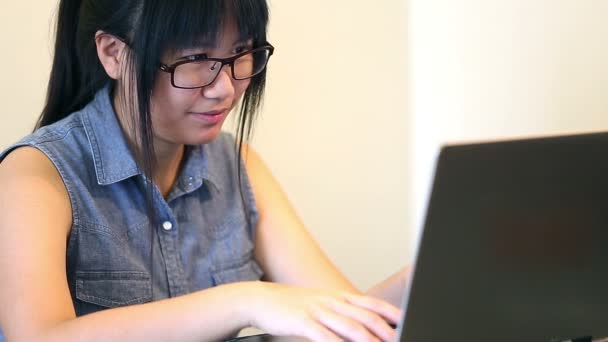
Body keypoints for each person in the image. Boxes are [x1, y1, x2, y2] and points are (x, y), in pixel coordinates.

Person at [0, 0, 409, 341]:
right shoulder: (36, 176)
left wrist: (430, 270)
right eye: (196, 59)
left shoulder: (238, 166)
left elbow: (339, 317)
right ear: (113, 53)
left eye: (240, 54)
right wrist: (243, 302)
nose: (225, 88)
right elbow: (38, 337)